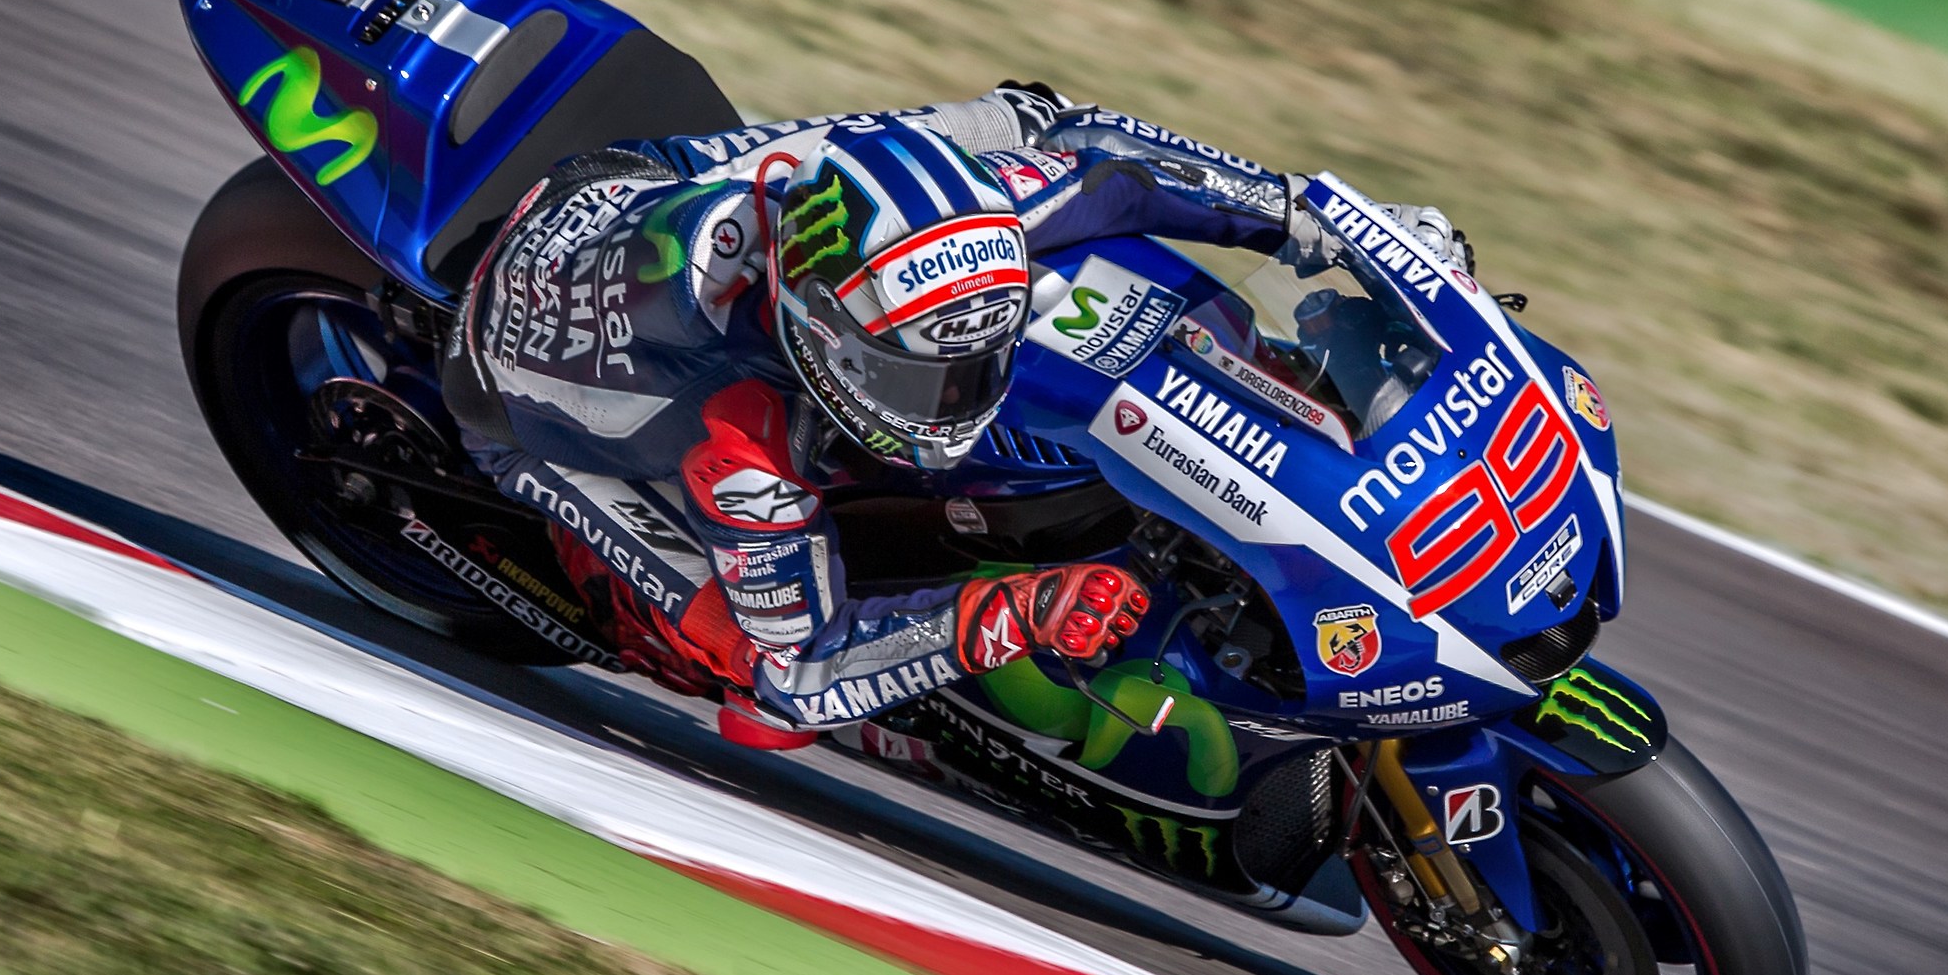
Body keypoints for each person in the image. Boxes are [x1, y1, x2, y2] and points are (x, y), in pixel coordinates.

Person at [441, 83, 1464, 747]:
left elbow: (1114, 166)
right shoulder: (737, 436)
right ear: (819, 333)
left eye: (974, 366)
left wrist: (1332, 221)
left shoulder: (934, 227)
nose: (962, 403)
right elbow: (806, 672)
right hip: (521, 393)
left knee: (1031, 112)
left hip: (653, 184)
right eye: (930, 380)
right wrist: (1014, 614)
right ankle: (633, 603)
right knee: (756, 680)